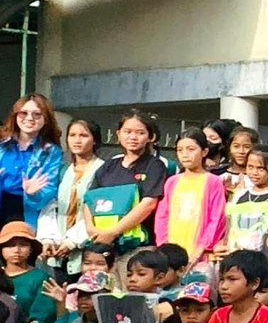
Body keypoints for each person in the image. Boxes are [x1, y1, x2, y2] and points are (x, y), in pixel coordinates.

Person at [84, 109, 168, 253]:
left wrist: (113, 232)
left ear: (151, 137)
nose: (133, 137)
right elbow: (89, 199)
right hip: (101, 242)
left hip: (137, 245)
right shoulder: (109, 166)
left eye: (140, 133)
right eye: (127, 132)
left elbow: (149, 203)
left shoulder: (155, 166)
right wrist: (91, 229)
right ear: (118, 134)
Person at [155, 129, 227, 265]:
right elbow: (162, 215)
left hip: (200, 254)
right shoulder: (172, 181)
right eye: (180, 150)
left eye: (191, 149)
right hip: (172, 251)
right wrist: (163, 245)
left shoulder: (213, 181)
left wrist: (202, 247)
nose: (185, 155)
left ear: (204, 152)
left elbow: (217, 218)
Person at [45, 119, 104, 279]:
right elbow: (51, 206)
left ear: (95, 140)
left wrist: (72, 241)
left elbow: (100, 211)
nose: (77, 140)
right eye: (72, 135)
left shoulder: (104, 170)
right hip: (58, 250)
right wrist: (49, 239)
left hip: (88, 250)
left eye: (83, 135)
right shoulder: (62, 170)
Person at [0, 94, 63, 228]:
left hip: (27, 212)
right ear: (15, 116)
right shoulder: (2, 145)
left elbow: (49, 189)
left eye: (37, 114)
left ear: (46, 119)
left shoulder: (51, 151)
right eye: (23, 113)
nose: (29, 118)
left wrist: (33, 194)